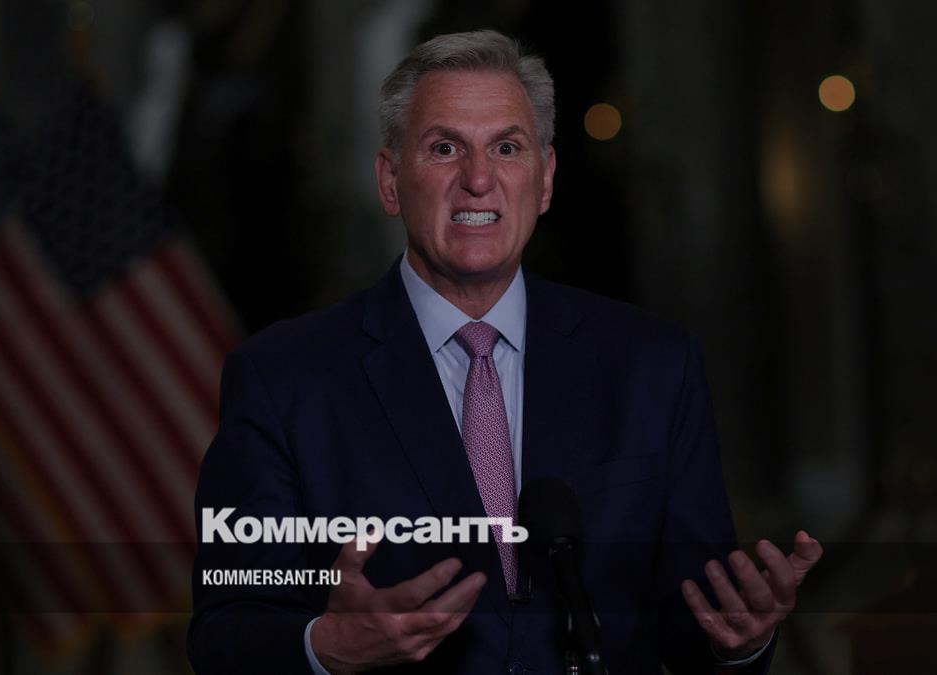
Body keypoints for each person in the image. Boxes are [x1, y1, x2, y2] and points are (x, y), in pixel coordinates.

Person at [188, 30, 822, 674]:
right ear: (390, 180)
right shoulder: (283, 379)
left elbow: (693, 624)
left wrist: (738, 639)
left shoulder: (654, 367)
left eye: (507, 148)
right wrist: (328, 645)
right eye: (444, 148)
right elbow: (224, 635)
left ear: (545, 180)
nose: (478, 180)